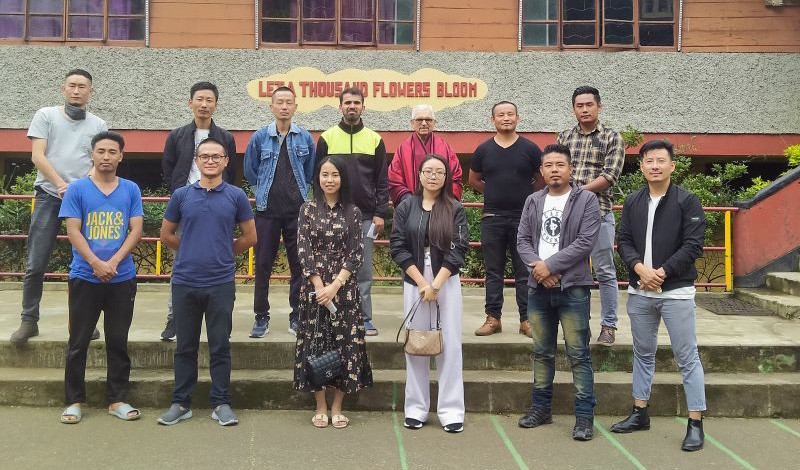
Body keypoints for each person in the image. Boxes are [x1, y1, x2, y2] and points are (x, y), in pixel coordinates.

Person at [612, 140, 707, 452]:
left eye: (660, 160)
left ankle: (695, 421)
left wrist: (661, 273)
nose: (654, 165)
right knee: (643, 353)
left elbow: (692, 245)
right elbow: (623, 240)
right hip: (640, 291)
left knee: (687, 356)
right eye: (648, 160)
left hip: (676, 292)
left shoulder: (687, 201)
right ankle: (640, 412)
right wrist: (640, 269)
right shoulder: (633, 201)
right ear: (641, 167)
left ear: (672, 166)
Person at [157, 137, 256, 426]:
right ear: (197, 161)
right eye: (205, 156)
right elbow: (166, 234)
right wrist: (190, 251)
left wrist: (223, 253)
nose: (210, 161)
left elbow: (250, 237)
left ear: (226, 161)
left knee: (220, 346)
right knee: (184, 347)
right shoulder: (181, 196)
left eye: (216, 156)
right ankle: (180, 402)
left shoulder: (236, 196)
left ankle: (221, 402)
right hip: (185, 282)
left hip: (220, 283)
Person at [11, 69, 107, 344]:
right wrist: (61, 184)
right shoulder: (46, 115)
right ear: (63, 88)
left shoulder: (99, 124)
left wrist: (76, 190)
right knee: (36, 262)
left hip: (84, 200)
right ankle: (29, 320)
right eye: (72, 86)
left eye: (82, 87)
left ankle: (85, 322)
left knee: (89, 262)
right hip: (49, 195)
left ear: (91, 92)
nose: (77, 91)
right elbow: (37, 156)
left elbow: (97, 161)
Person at [516, 144, 600, 441]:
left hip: (573, 287)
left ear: (570, 169)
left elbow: (585, 242)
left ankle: (584, 417)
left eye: (560, 164)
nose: (554, 169)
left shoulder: (587, 200)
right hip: (538, 288)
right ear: (541, 171)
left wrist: (549, 267)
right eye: (548, 165)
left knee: (578, 353)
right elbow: (523, 240)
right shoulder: (533, 201)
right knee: (542, 352)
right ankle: (541, 409)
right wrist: (538, 270)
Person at [58, 131, 143, 424]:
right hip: (85, 275)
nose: (106, 156)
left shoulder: (131, 189)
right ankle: (73, 401)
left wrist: (114, 262)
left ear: (121, 156)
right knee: (78, 341)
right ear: (92, 154)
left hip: (122, 278)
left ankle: (117, 399)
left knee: (118, 341)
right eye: (101, 151)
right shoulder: (77, 189)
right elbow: (73, 231)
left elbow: (136, 230)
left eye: (112, 152)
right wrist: (95, 262)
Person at [390, 154, 470, 433]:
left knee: (450, 343)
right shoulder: (406, 206)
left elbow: (459, 248)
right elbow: (397, 246)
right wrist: (422, 284)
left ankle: (450, 410)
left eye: (439, 172)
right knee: (416, 344)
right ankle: (416, 408)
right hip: (415, 280)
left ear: (446, 177)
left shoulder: (455, 207)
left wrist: (436, 284)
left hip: (445, 280)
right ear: (419, 175)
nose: (433, 176)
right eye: (428, 171)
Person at [294, 155, 373, 429]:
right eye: (325, 174)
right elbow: (303, 250)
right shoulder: (307, 209)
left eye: (335, 175)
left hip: (344, 289)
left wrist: (335, 285)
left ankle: (338, 406)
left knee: (345, 347)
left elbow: (356, 254)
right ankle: (320, 406)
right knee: (315, 345)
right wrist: (319, 286)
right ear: (318, 177)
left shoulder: (352, 211)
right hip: (314, 290)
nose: (329, 180)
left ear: (343, 179)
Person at [159, 81, 237, 341]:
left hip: (217, 206)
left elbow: (233, 172)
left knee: (219, 263)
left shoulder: (225, 138)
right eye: (199, 99)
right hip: (186, 208)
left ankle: (219, 318)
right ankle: (174, 319)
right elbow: (169, 169)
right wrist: (181, 196)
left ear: (216, 104)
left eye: (209, 100)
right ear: (190, 102)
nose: (204, 105)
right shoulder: (177, 135)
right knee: (180, 264)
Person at [316, 87, 389, 336]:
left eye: (356, 102)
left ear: (363, 108)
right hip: (332, 213)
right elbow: (318, 179)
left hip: (366, 216)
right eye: (347, 102)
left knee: (363, 270)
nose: (352, 106)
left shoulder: (375, 139)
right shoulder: (326, 138)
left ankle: (365, 318)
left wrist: (380, 213)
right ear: (340, 107)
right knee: (330, 267)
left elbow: (381, 180)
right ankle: (333, 317)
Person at [244, 86, 315, 338]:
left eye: (289, 102)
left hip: (297, 213)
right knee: (263, 265)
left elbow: (309, 173)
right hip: (266, 212)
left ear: (296, 107)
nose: (284, 107)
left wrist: (300, 195)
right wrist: (263, 190)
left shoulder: (305, 138)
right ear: (271, 106)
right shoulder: (260, 137)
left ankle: (297, 316)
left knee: (299, 265)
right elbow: (250, 170)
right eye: (279, 102)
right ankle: (261, 317)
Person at [469, 101, 543, 338]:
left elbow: (540, 178)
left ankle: (527, 319)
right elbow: (473, 180)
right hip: (492, 218)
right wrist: (493, 193)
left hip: (524, 218)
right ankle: (493, 318)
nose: (506, 118)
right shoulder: (483, 149)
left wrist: (529, 198)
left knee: (525, 271)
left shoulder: (530, 148)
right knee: (493, 272)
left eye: (510, 114)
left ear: (518, 118)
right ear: (493, 120)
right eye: (501, 115)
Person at [557, 86, 625, 346]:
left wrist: (577, 193)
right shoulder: (564, 138)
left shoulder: (612, 138)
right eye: (579, 105)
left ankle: (608, 326)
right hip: (568, 217)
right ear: (573, 108)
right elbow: (558, 170)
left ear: (599, 106)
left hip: (599, 213)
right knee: (571, 271)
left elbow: (610, 176)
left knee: (605, 272)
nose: (584, 109)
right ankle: (577, 326)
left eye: (589, 105)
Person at [388, 104, 463, 206]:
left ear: (434, 123)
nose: (424, 123)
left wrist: (444, 200)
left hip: (440, 206)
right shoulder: (403, 149)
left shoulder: (445, 148)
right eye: (419, 120)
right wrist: (409, 200)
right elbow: (394, 179)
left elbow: (456, 177)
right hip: (410, 207)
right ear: (412, 123)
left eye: (428, 119)